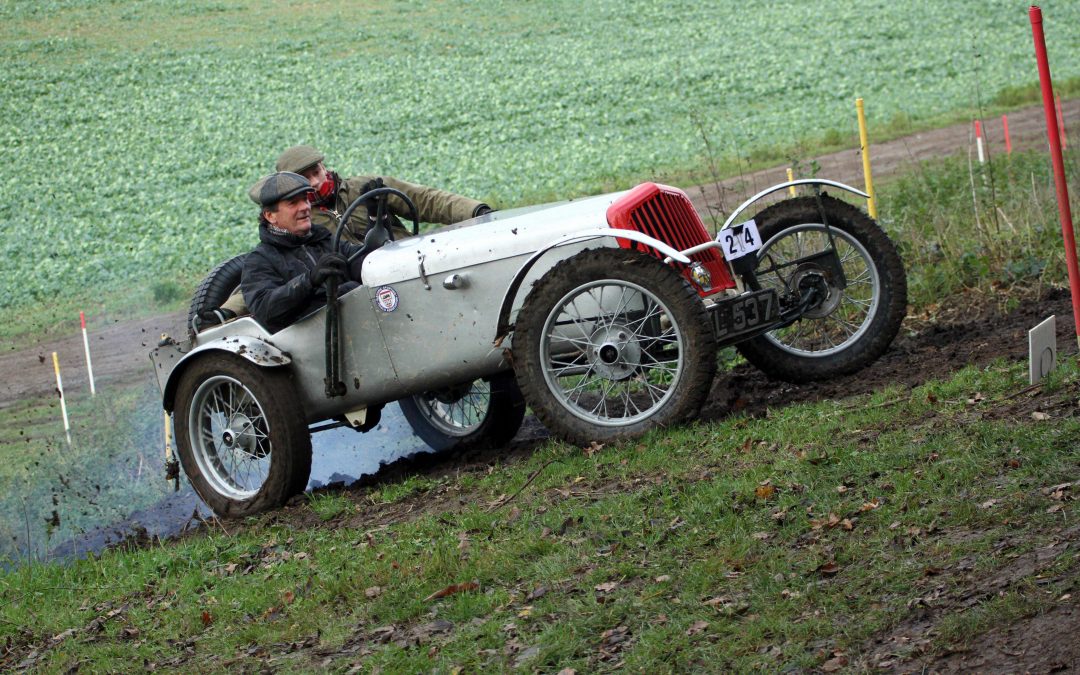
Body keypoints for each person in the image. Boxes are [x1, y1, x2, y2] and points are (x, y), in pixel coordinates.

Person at [275, 144, 492, 244]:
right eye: (305, 179)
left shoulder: (366, 186)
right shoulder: (298, 220)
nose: (315, 182)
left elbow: (425, 200)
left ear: (324, 167)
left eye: (316, 172)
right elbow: (275, 264)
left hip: (409, 260)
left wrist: (477, 211)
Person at [240, 171, 367, 333]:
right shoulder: (260, 260)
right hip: (310, 346)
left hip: (354, 328)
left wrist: (377, 222)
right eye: (293, 203)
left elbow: (363, 263)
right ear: (270, 216)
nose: (305, 207)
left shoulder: (324, 240)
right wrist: (309, 281)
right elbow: (265, 308)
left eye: (305, 200)